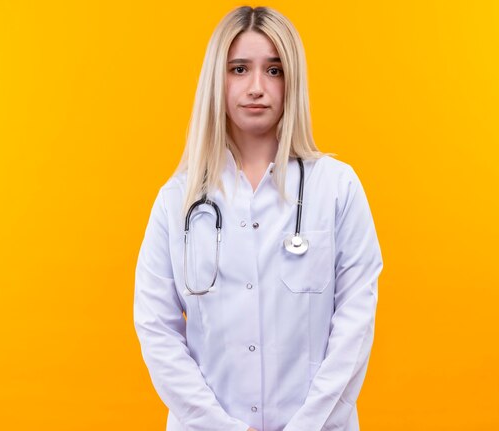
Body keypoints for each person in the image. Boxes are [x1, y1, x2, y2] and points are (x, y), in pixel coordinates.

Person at [133, 5, 383, 431]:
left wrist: (305, 426)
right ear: (217, 78)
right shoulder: (177, 200)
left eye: (273, 70)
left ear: (293, 81)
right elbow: (156, 330)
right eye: (238, 69)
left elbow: (354, 326)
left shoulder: (337, 188)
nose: (255, 87)